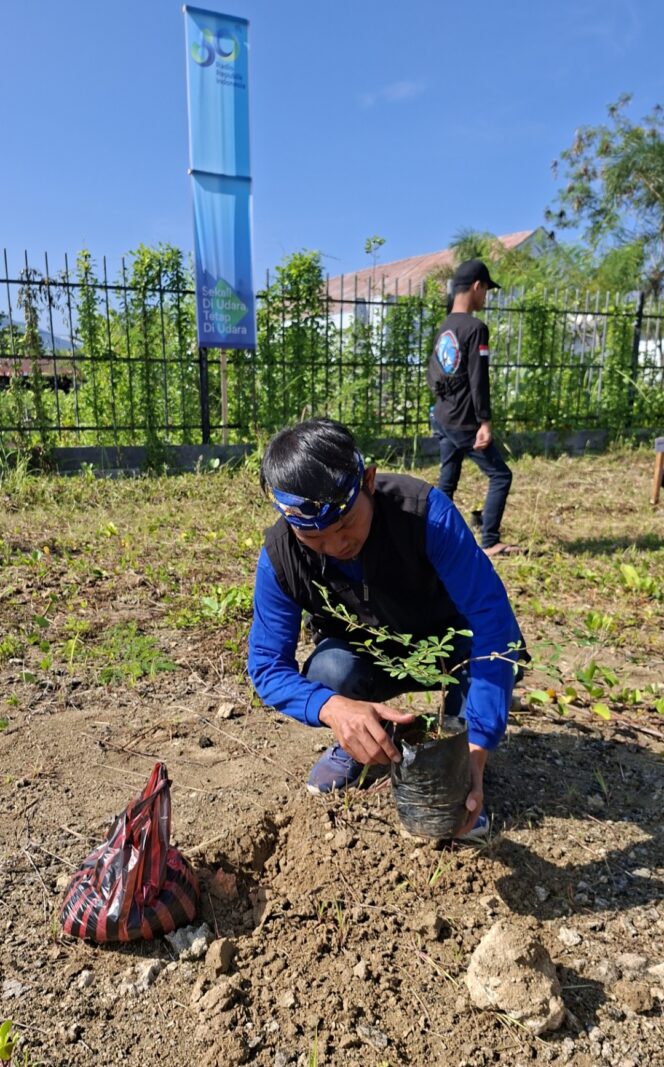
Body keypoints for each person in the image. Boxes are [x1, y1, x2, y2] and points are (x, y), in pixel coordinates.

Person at [248, 417, 527, 839]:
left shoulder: (423, 514)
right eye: (315, 539)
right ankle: (359, 745)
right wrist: (333, 708)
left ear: (370, 482)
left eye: (344, 526)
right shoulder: (282, 555)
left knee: (484, 660)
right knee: (329, 673)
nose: (335, 545)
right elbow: (267, 665)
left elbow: (493, 624)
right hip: (368, 657)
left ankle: (455, 757)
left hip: (448, 646)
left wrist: (476, 749)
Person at [427, 258, 521, 557]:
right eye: (486, 290)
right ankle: (490, 540)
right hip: (464, 421)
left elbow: (434, 373)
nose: (486, 297)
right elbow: (479, 378)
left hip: (442, 416)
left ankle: (432, 538)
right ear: (477, 286)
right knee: (500, 476)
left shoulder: (444, 326)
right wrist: (484, 422)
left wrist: (445, 404)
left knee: (447, 480)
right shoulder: (475, 328)